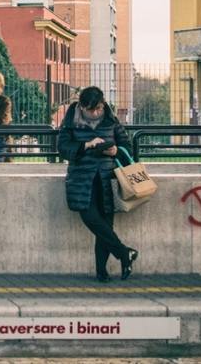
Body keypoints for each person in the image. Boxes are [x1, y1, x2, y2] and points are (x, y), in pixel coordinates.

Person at [57, 86, 138, 283]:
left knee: (106, 225)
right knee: (91, 218)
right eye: (91, 110)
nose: (96, 113)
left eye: (99, 108)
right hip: (81, 179)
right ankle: (124, 253)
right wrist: (86, 145)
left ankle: (102, 272)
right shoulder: (70, 121)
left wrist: (115, 151)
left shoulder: (111, 119)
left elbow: (127, 147)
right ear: (82, 107)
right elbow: (63, 148)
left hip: (108, 178)